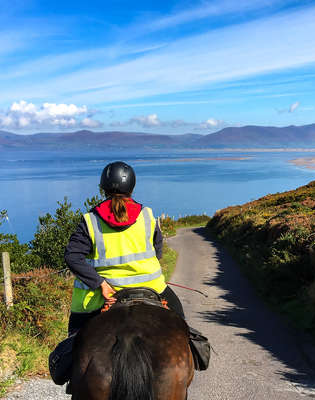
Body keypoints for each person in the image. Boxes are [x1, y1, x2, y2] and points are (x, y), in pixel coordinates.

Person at [49, 161, 209, 390]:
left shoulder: (90, 221)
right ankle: (196, 352)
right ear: (132, 188)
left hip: (103, 296)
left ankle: (69, 376)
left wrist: (100, 284)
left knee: (74, 343)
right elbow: (158, 250)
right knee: (181, 325)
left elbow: (72, 256)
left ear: (103, 188)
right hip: (153, 288)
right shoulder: (146, 215)